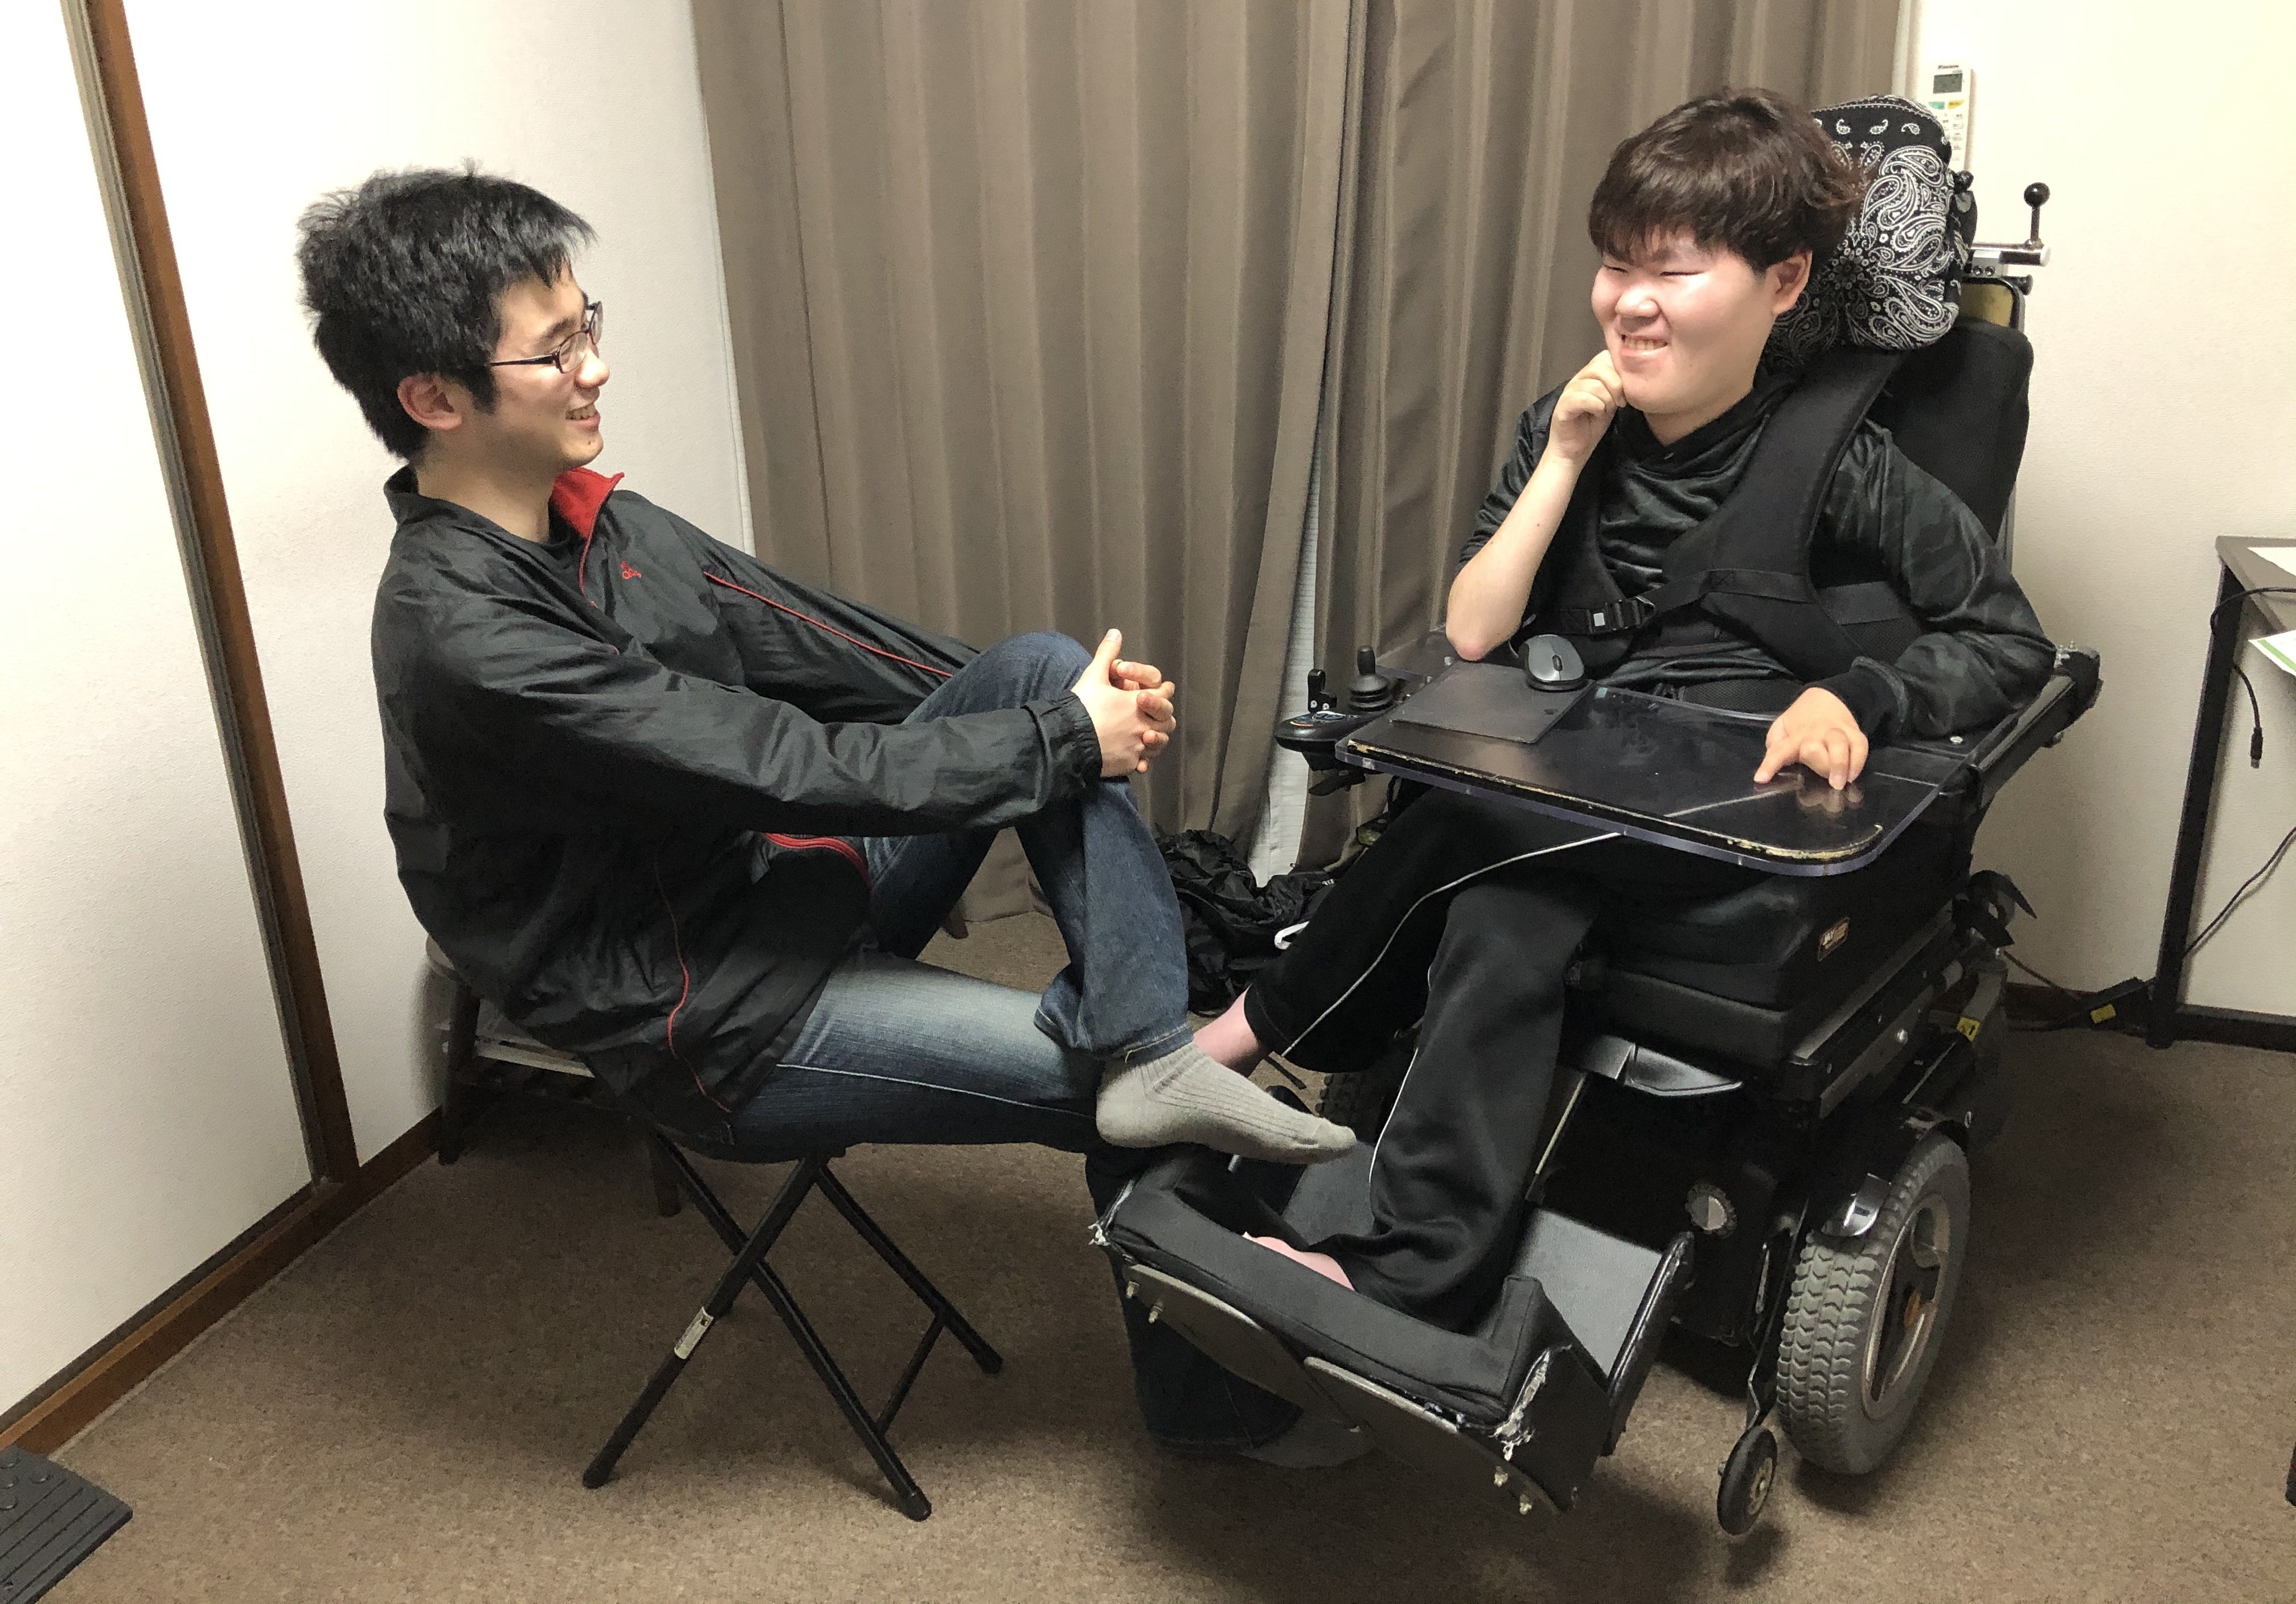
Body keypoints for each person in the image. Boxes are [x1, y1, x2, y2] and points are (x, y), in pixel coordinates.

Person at [296, 166, 1354, 1450]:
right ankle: (1214, 1400)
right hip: (714, 1016)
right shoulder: (465, 638)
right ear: (433, 398)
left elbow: (829, 645)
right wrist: (1062, 745)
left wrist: (1066, 705)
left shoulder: (612, 527)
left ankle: (1151, 1052)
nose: (595, 368)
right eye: (556, 347)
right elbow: (774, 760)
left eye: (590, 326)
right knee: (1100, 1082)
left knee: (1032, 665)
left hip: (785, 894)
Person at [1194, 89, 2056, 1330]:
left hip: (1738, 813)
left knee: (1473, 826)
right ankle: (1403, 1271)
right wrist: (1563, 455)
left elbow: (2007, 639)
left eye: (1674, 271)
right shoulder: (1570, 425)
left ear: (1783, 282)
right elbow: (1475, 630)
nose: (1630, 302)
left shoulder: (1846, 464)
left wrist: (1859, 694)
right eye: (1615, 265)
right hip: (1585, 786)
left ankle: (1240, 1039)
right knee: (1504, 906)